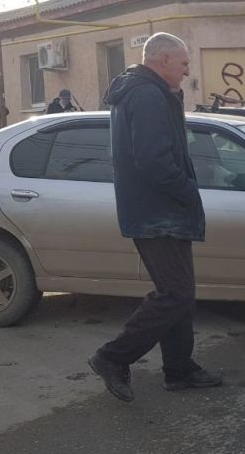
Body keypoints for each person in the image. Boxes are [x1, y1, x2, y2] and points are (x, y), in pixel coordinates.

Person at [89, 32, 220, 402]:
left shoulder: (152, 92)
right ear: (162, 60)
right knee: (175, 294)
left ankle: (178, 369)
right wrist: (187, 190)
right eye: (183, 62)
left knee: (181, 294)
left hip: (160, 210)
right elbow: (153, 161)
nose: (188, 69)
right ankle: (112, 357)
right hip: (157, 211)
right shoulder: (146, 95)